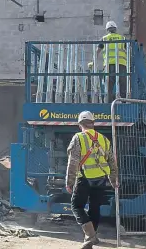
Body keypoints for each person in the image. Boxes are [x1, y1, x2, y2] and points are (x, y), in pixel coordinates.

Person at [66, 111, 118, 249]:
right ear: (93, 123)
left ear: (80, 125)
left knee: (76, 206)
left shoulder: (79, 138)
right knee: (95, 208)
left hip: (85, 178)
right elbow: (112, 162)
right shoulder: (104, 139)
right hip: (101, 178)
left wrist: (69, 182)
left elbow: (73, 163)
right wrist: (113, 181)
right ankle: (91, 239)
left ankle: (90, 236)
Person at [97, 21, 127, 103]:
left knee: (108, 86)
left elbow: (97, 51)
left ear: (107, 29)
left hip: (109, 65)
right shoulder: (122, 38)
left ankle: (108, 103)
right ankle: (123, 102)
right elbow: (128, 50)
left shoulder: (104, 38)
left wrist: (93, 62)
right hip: (121, 65)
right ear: (115, 29)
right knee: (123, 85)